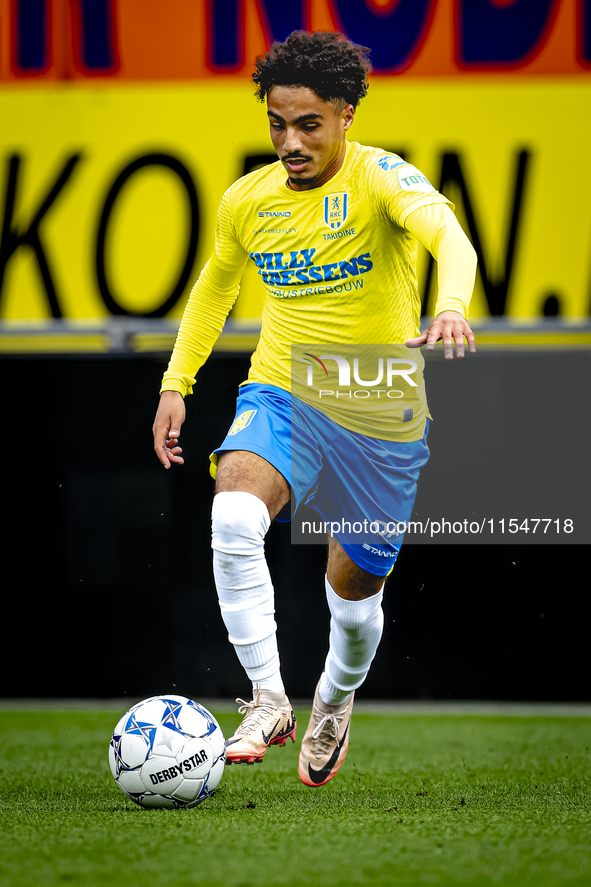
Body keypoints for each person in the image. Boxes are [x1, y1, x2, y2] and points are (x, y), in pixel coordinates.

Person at [152, 30, 477, 787]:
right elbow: (215, 287)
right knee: (233, 514)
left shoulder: (382, 179)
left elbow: (449, 238)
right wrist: (177, 381)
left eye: (308, 124)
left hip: (377, 410)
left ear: (346, 115)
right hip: (285, 388)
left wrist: (451, 304)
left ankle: (335, 694)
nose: (289, 141)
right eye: (276, 123)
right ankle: (267, 697)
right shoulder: (248, 198)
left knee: (354, 599)